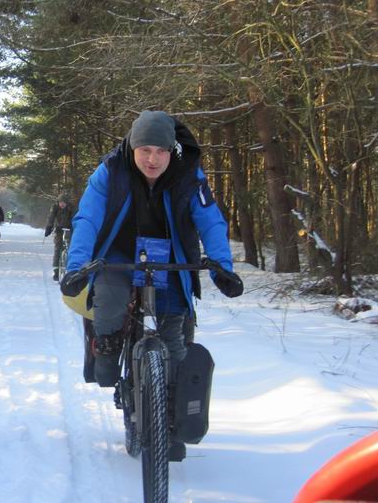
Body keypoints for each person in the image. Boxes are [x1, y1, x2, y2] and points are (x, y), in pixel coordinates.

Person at [59, 110, 242, 460]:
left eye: (161, 151)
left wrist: (222, 269)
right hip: (119, 252)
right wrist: (78, 266)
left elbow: (210, 220)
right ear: (132, 147)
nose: (153, 159)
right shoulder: (110, 172)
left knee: (175, 337)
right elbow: (88, 217)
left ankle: (168, 424)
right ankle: (108, 347)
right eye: (145, 150)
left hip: (168, 255)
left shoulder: (189, 174)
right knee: (110, 301)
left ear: (172, 150)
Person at [44, 193, 75, 281]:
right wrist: (49, 227)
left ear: (67, 203)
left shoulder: (71, 208)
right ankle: (56, 271)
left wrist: (74, 228)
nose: (62, 204)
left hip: (69, 229)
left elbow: (75, 218)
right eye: (60, 202)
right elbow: (51, 217)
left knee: (69, 247)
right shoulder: (55, 207)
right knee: (58, 248)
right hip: (59, 229)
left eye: (64, 202)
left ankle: (70, 268)